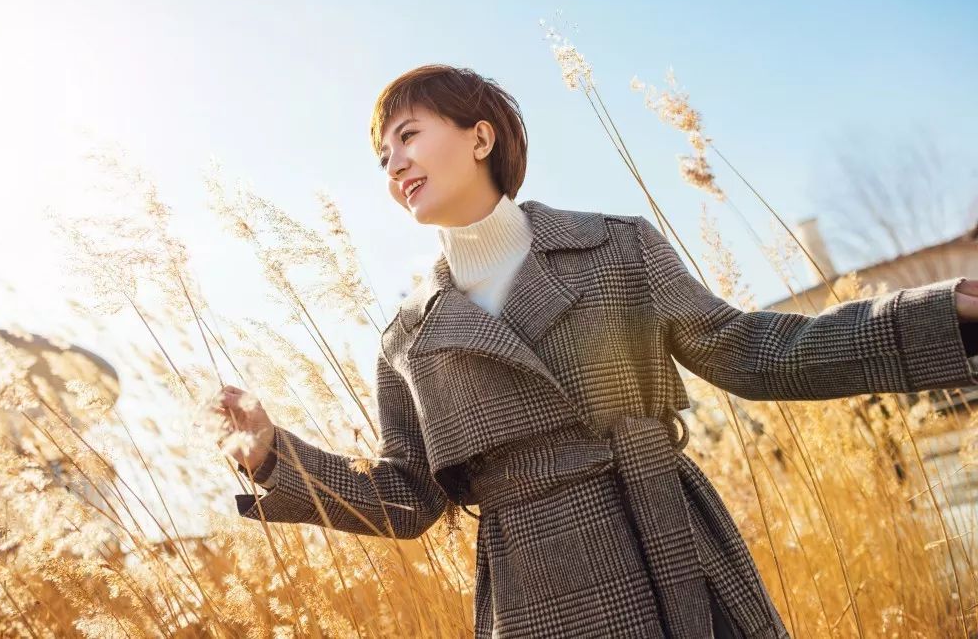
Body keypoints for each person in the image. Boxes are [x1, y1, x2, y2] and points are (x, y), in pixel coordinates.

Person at [210, 64, 978, 638]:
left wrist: (943, 315)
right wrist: (278, 458)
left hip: (669, 541)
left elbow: (752, 351)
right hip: (534, 588)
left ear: (481, 136)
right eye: (382, 157)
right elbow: (408, 497)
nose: (395, 166)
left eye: (408, 136)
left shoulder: (618, 247)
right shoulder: (407, 335)